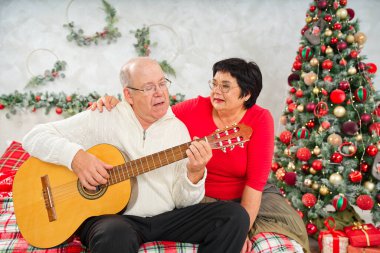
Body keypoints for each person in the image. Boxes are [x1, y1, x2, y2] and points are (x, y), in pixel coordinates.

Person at [22, 57, 250, 253]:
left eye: (162, 83)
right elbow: (34, 136)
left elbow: (183, 201)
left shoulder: (178, 130)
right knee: (114, 233)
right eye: (149, 87)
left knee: (235, 216)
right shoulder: (104, 116)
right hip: (115, 220)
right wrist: (77, 158)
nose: (160, 92)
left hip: (165, 219)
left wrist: (195, 173)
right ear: (129, 95)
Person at [94, 58, 311, 253]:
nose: (216, 91)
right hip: (204, 199)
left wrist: (241, 230)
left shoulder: (260, 119)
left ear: (246, 94)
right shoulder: (194, 108)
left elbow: (255, 185)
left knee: (248, 225)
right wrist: (116, 104)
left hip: (250, 200)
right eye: (214, 84)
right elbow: (152, 112)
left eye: (225, 87)